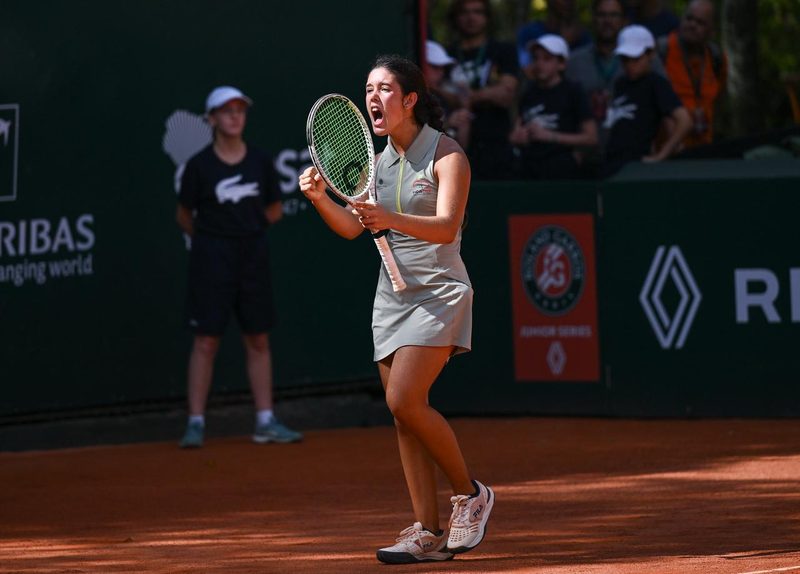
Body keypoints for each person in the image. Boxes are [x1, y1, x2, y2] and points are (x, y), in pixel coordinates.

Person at [298, 55, 494, 564]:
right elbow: (351, 228)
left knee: (404, 400)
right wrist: (321, 199)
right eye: (368, 89)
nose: (373, 97)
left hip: (440, 291)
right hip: (392, 298)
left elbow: (448, 226)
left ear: (410, 99)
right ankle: (428, 532)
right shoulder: (375, 163)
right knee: (404, 419)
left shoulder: (447, 155)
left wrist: (390, 216)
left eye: (384, 88)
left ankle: (470, 495)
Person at [176, 86, 302, 448]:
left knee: (259, 339)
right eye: (226, 110)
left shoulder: (260, 162)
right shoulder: (198, 167)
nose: (234, 116)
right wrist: (216, 237)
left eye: (240, 110)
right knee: (206, 341)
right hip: (210, 259)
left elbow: (275, 210)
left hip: (252, 258)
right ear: (211, 119)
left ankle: (265, 420)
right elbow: (184, 216)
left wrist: (244, 229)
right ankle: (195, 422)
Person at [566, 0, 667, 176]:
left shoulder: (647, 60)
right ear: (593, 19)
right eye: (602, 15)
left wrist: (662, 152)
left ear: (624, 20)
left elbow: (669, 107)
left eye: (613, 15)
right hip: (585, 160)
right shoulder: (574, 62)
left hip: (633, 160)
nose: (607, 20)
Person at [602, 25, 692, 177]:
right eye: (625, 59)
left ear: (650, 54)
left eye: (636, 59)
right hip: (610, 160)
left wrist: (662, 155)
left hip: (636, 164)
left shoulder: (656, 83)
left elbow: (685, 120)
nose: (630, 65)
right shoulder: (619, 83)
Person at [447, 0, 519, 180]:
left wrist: (465, 97)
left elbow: (506, 95)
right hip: (454, 143)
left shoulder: (503, 50)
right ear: (456, 17)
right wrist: (488, 94)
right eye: (465, 12)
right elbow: (432, 88)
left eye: (477, 12)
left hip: (497, 142)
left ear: (487, 17)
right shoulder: (446, 54)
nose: (471, 17)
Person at [510, 34, 597, 179]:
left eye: (547, 59)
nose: (539, 64)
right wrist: (518, 137)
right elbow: (516, 130)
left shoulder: (573, 91)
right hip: (529, 170)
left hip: (563, 172)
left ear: (561, 63)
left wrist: (550, 136)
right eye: (536, 58)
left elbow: (591, 138)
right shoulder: (528, 93)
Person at [657, 0, 727, 148]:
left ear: (711, 31)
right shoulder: (662, 51)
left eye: (700, 23)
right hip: (667, 150)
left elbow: (719, 97)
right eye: (689, 18)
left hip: (704, 147)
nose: (692, 25)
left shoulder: (717, 58)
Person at [424, 39, 471, 150]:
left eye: (443, 68)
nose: (441, 72)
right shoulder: (411, 97)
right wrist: (448, 123)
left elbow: (461, 146)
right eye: (435, 67)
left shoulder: (441, 97)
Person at [516, 0, 592, 70]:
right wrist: (565, 42)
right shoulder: (529, 32)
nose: (568, 2)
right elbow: (525, 69)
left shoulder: (581, 36)